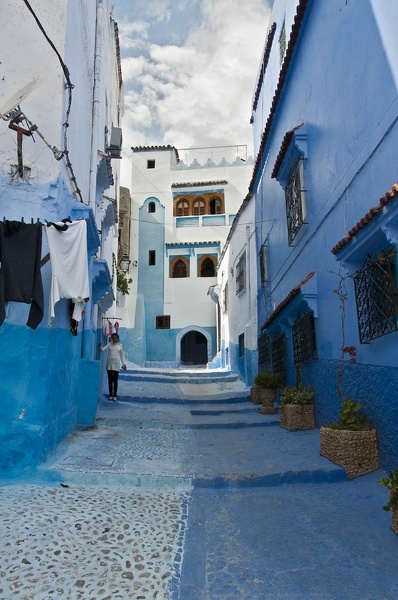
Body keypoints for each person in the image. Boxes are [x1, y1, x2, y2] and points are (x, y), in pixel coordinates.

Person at [99, 333, 127, 402]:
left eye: (115, 338)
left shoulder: (120, 346)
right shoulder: (109, 344)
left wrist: (124, 364)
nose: (114, 339)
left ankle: (114, 395)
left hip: (116, 364)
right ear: (111, 338)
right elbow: (102, 350)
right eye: (113, 338)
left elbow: (122, 356)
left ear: (117, 338)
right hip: (109, 364)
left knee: (115, 380)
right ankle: (110, 395)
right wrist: (100, 346)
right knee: (110, 380)